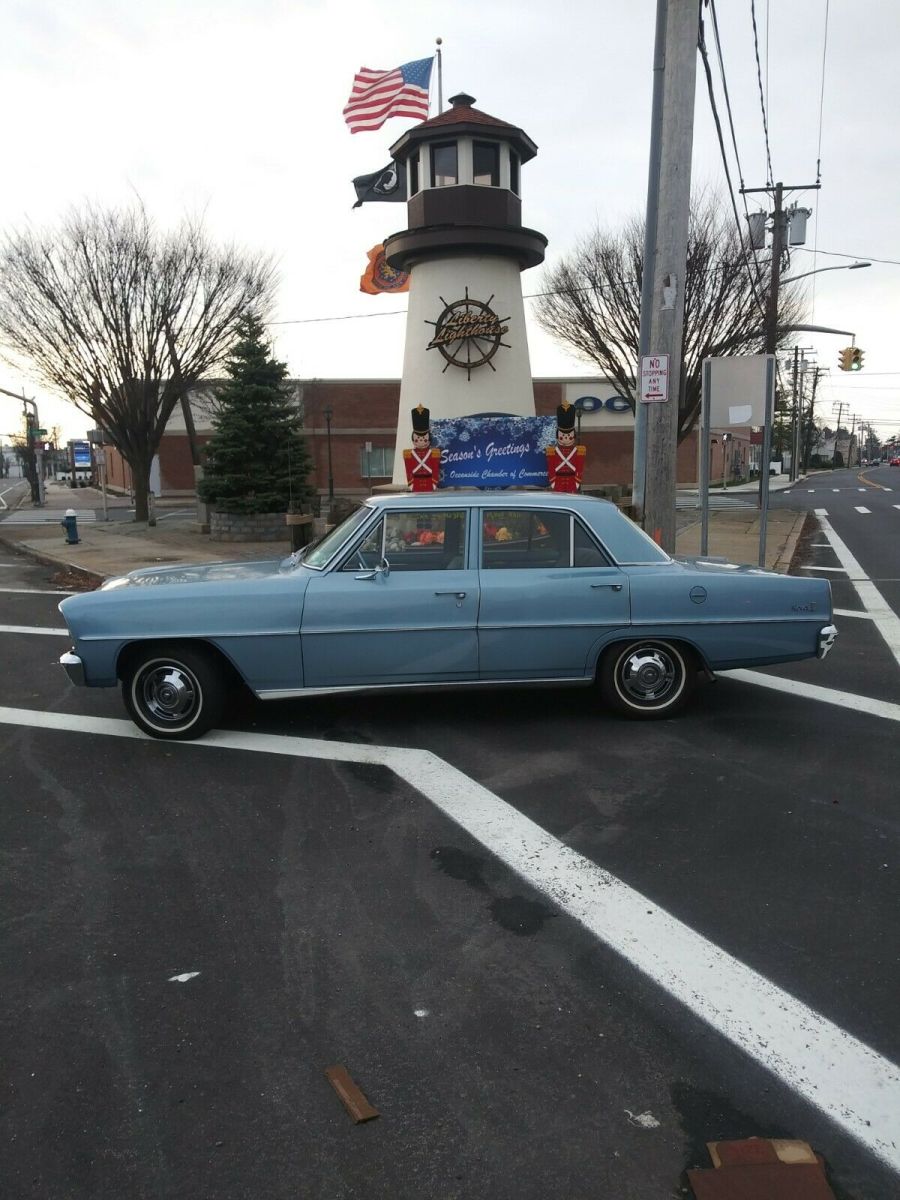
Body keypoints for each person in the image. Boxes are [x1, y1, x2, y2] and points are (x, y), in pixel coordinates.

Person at [546, 401, 586, 492]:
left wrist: (577, 481)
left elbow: (579, 467)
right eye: (563, 436)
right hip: (558, 482)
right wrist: (553, 482)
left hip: (572, 482)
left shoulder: (579, 451)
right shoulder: (552, 451)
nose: (566, 438)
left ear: (573, 436)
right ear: (558, 436)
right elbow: (551, 467)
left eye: (569, 436)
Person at [403, 404, 441, 491]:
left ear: (428, 439)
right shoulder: (408, 453)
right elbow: (408, 469)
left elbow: (435, 468)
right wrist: (411, 483)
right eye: (418, 439)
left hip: (430, 482)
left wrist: (434, 482)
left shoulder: (434, 453)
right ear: (413, 440)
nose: (421, 441)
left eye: (424, 439)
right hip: (415, 482)